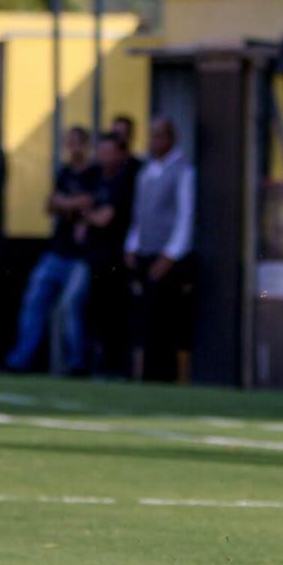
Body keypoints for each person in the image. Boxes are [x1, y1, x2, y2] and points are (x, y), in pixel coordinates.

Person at [4, 126, 97, 375]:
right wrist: (69, 205)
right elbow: (50, 204)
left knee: (70, 306)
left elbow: (86, 204)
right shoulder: (64, 172)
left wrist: (66, 204)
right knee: (34, 299)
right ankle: (21, 359)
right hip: (57, 251)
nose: (73, 148)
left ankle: (76, 364)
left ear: (86, 146)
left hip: (80, 257)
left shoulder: (94, 174)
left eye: (78, 143)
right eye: (70, 143)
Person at [123, 118, 196, 383]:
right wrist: (132, 244)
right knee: (146, 317)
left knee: (166, 318)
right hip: (145, 250)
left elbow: (185, 215)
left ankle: (166, 376)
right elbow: (139, 213)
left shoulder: (183, 170)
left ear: (171, 138)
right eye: (152, 136)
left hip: (166, 255)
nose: (154, 142)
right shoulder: (147, 170)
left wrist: (171, 255)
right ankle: (147, 375)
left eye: (159, 136)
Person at [85, 131, 138, 377]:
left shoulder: (125, 181)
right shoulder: (96, 177)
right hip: (94, 257)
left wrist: (83, 215)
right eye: (101, 151)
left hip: (115, 258)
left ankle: (117, 367)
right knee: (96, 312)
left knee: (115, 314)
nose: (103, 156)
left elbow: (105, 218)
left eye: (109, 152)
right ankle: (99, 363)